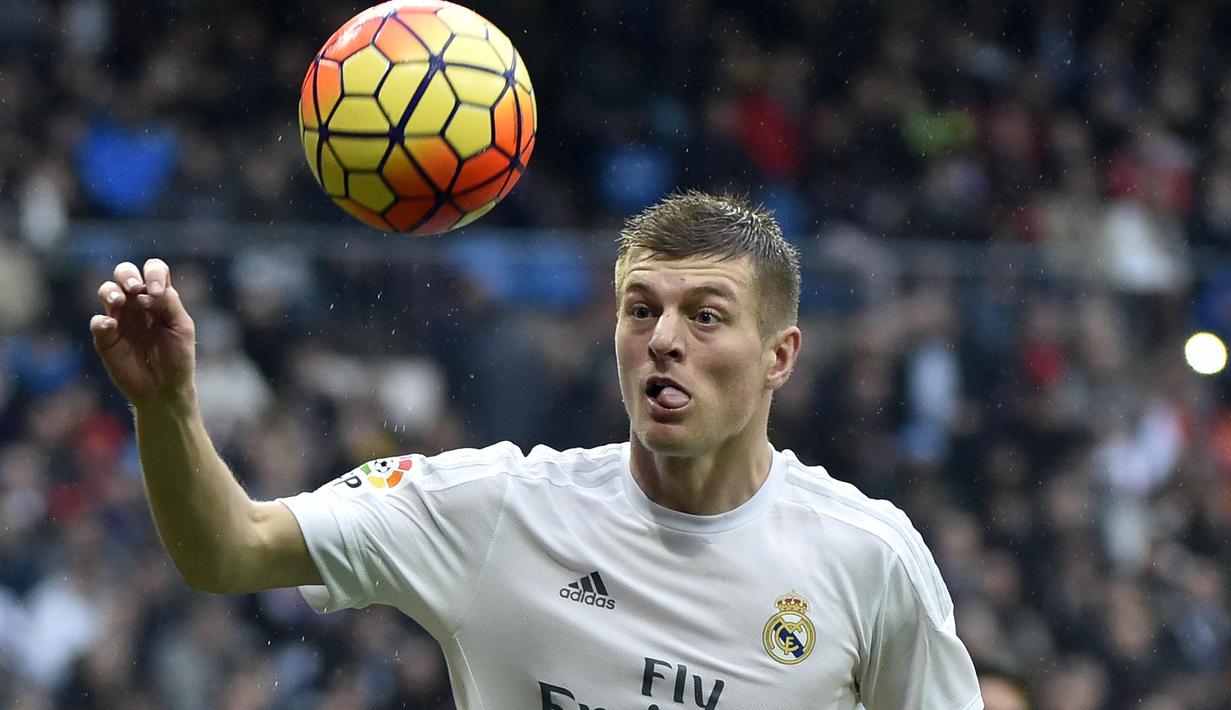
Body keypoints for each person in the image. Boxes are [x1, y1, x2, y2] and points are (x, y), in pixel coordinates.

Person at [90, 191, 983, 709]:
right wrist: (166, 407)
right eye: (641, 310)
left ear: (779, 357)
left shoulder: (867, 559)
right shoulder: (493, 510)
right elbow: (227, 549)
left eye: (705, 316)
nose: (662, 340)